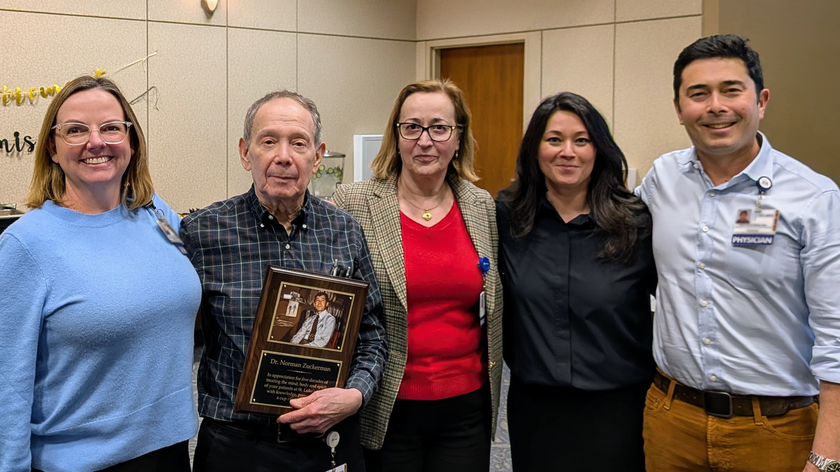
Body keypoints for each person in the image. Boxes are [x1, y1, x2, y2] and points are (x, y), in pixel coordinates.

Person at [637, 34, 840, 472]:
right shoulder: (662, 179)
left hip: (775, 430)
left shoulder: (814, 197)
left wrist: (828, 458)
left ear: (761, 100)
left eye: (731, 90)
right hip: (672, 420)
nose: (715, 106)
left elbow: (836, 336)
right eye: (698, 94)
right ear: (678, 109)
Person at [0, 75, 200, 471]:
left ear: (131, 141)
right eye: (75, 130)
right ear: (53, 149)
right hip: (80, 462)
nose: (96, 142)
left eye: (111, 127)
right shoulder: (26, 244)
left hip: (171, 450)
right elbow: (7, 384)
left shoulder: (155, 214)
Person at [180, 90, 387, 472]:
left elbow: (372, 334)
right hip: (236, 445)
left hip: (328, 441)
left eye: (298, 143)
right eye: (269, 141)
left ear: (318, 155)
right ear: (246, 153)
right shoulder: (202, 234)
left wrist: (355, 394)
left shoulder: (345, 232)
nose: (284, 156)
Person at [332, 78, 503, 472]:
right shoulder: (354, 203)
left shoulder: (481, 206)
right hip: (387, 403)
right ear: (397, 135)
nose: (425, 140)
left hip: (466, 407)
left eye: (440, 128)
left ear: (459, 138)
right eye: (412, 127)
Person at [496, 91, 656, 471]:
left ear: (598, 149)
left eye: (581, 140)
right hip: (535, 410)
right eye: (554, 140)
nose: (568, 152)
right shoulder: (507, 216)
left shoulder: (634, 221)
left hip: (617, 410)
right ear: (535, 149)